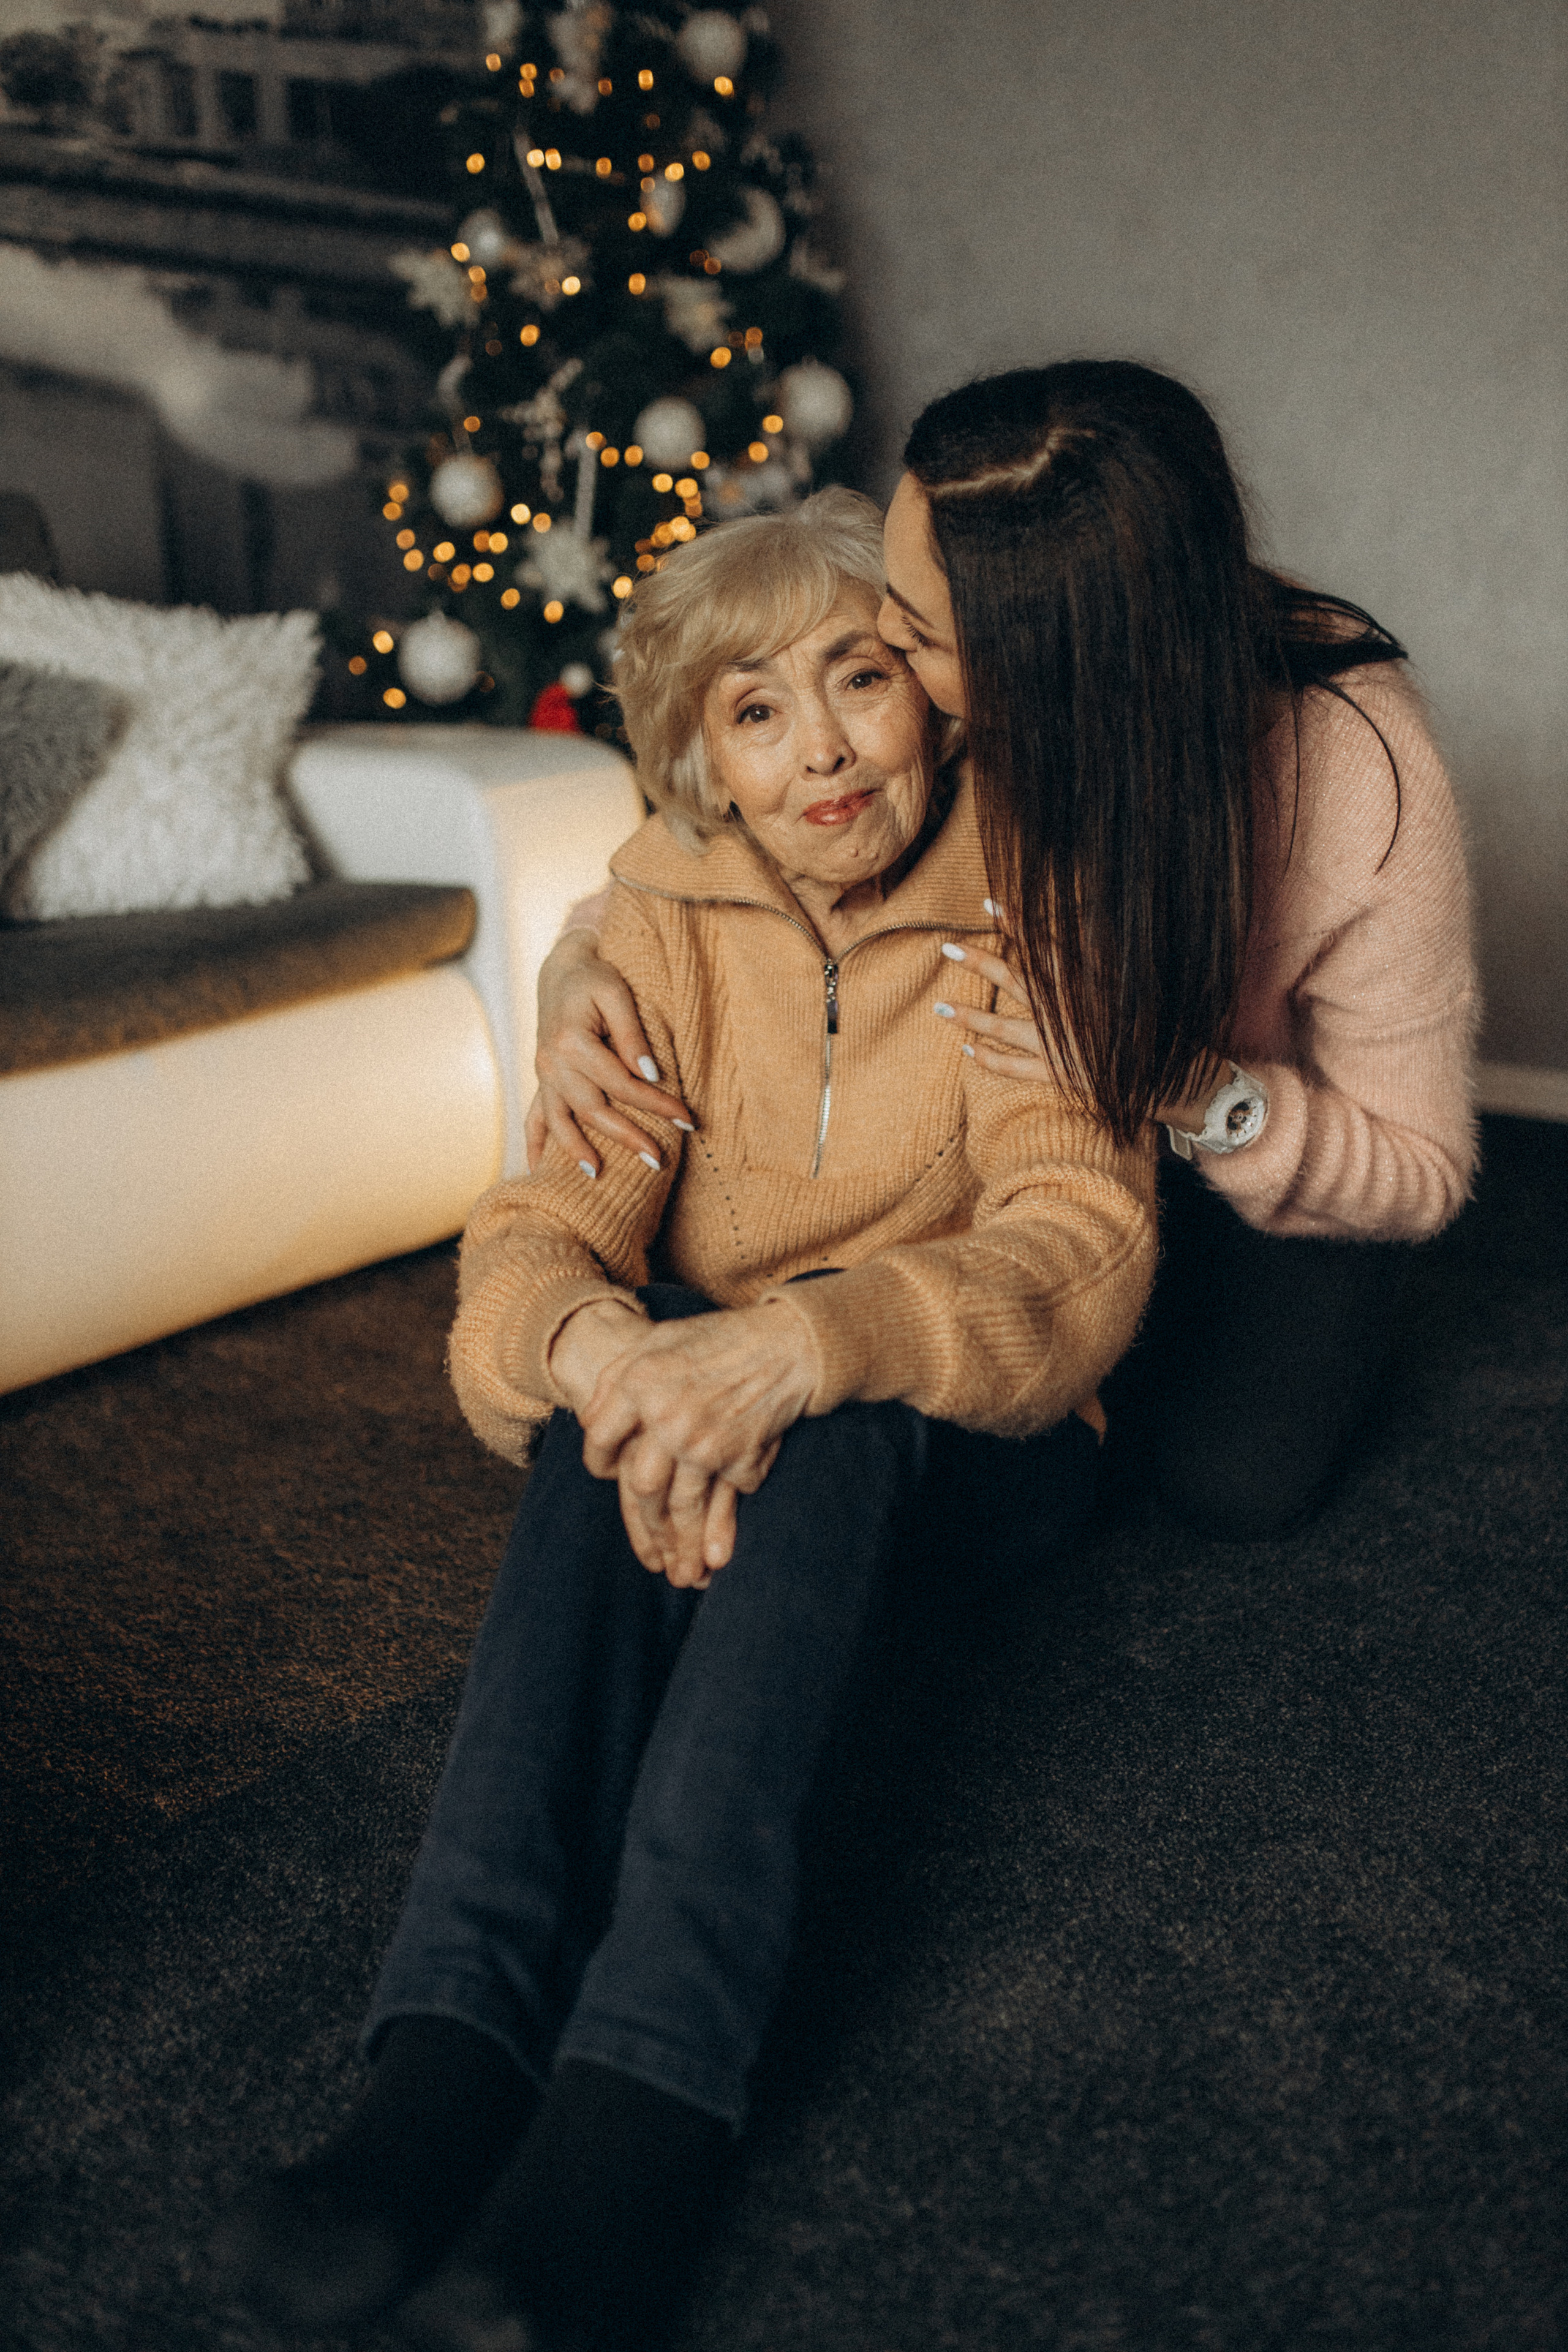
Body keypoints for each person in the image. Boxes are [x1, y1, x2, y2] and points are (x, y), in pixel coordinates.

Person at [214, 488, 1158, 2351]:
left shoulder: (1041, 903)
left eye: (861, 678)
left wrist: (818, 1347)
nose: (820, 746)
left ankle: (642, 2103)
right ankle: (452, 2058)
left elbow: (1082, 1242)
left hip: (971, 1435)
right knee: (609, 1390)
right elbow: (545, 1233)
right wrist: (602, 1363)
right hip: (704, 1391)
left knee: (827, 1417)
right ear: (700, 763)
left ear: (934, 699)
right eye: (753, 708)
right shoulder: (650, 930)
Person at [533, 362, 1477, 1542]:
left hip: (1245, 1138)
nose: (881, 644)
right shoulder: (967, 687)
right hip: (1057, 1121)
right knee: (956, 1361)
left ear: (1039, 658)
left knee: (1225, 1479)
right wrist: (575, 967)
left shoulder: (1363, 779)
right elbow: (747, 851)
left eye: (913, 639)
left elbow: (1423, 1170)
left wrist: (1176, 1084)